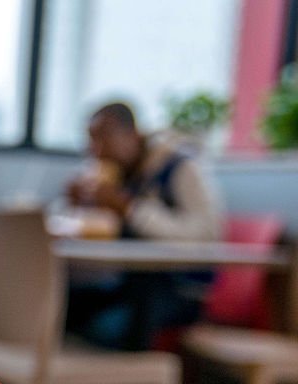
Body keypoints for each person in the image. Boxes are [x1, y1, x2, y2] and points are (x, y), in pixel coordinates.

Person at [63, 102, 225, 351]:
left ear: (132, 135)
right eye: (91, 141)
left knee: (106, 327)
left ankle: (130, 382)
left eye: (103, 139)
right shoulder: (122, 174)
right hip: (129, 283)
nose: (96, 151)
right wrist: (81, 206)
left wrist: (129, 209)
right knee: (64, 306)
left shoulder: (180, 167)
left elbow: (205, 234)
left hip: (178, 291)